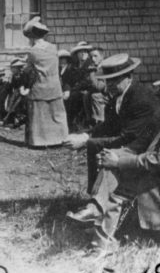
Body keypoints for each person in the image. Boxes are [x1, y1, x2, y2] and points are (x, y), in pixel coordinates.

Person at [65, 53, 160, 193]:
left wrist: (86, 142)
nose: (110, 85)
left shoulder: (141, 98)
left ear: (129, 76)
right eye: (107, 81)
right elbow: (108, 125)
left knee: (99, 149)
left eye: (115, 81)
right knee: (94, 144)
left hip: (145, 148)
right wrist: (85, 135)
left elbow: (130, 136)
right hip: (131, 140)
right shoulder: (118, 96)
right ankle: (95, 195)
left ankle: (100, 200)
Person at [21, 17, 68, 148]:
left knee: (39, 116)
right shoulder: (53, 48)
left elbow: (28, 71)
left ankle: (39, 141)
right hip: (54, 86)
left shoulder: (32, 52)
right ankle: (60, 139)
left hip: (40, 87)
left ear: (32, 37)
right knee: (56, 114)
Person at [65, 41, 94, 130]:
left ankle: (81, 124)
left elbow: (88, 81)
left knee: (76, 97)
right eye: (81, 52)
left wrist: (74, 89)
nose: (83, 54)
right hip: (75, 91)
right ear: (77, 54)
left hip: (87, 90)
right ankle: (70, 125)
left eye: (85, 51)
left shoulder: (91, 65)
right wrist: (67, 90)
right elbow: (67, 81)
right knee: (66, 98)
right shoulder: (72, 66)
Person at [82, 47, 108, 127]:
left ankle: (99, 122)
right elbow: (86, 83)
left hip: (107, 95)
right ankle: (90, 121)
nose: (93, 59)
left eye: (95, 56)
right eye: (91, 57)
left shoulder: (104, 68)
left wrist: (91, 72)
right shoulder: (94, 68)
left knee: (95, 95)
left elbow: (98, 87)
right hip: (99, 94)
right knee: (86, 95)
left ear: (102, 57)